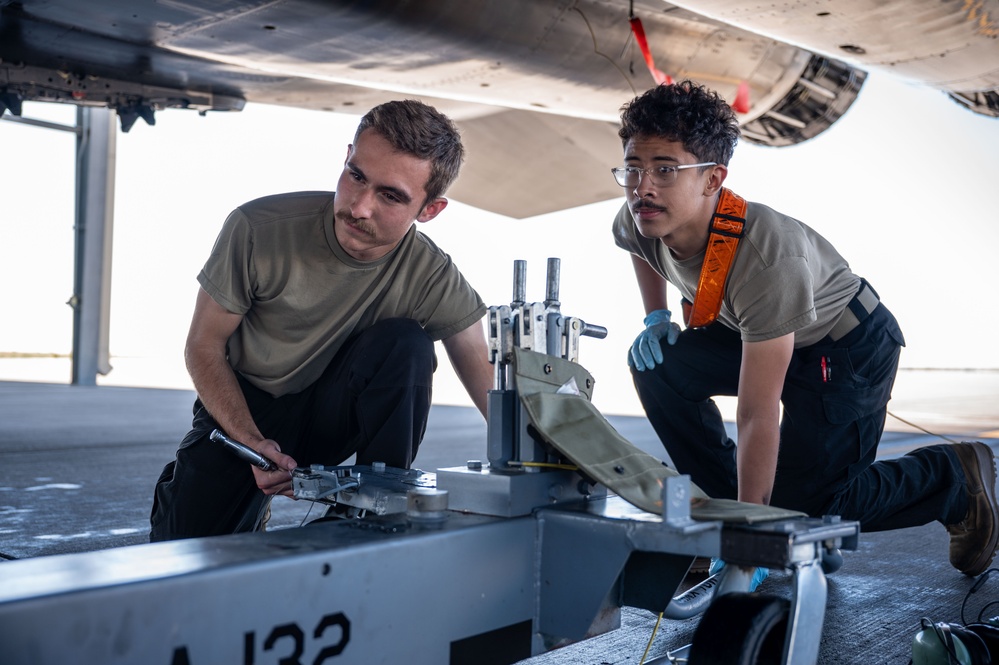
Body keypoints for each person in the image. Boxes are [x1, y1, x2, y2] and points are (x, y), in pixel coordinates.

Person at [610, 80, 998, 577]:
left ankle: (949, 478)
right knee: (659, 367)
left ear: (713, 180)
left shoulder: (768, 259)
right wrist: (656, 316)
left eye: (665, 169)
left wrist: (755, 538)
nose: (643, 186)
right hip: (760, 332)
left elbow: (756, 414)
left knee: (805, 509)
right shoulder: (641, 213)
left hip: (845, 348)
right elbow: (639, 248)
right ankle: (725, 511)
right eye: (633, 167)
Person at [150, 99, 494, 542]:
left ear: (429, 210)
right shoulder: (258, 228)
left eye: (390, 196)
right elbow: (203, 346)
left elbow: (488, 377)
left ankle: (375, 512)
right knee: (180, 558)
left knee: (406, 344)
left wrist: (551, 466)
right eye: (356, 176)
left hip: (333, 415)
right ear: (347, 156)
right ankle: (226, 504)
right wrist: (252, 442)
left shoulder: (431, 274)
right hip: (245, 413)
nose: (359, 207)